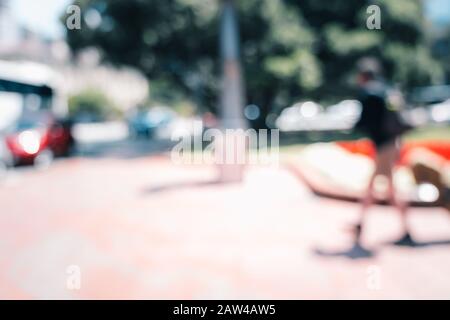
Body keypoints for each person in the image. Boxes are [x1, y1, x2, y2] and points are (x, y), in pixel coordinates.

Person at [353, 64, 412, 246]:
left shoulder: (370, 94)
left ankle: (406, 230)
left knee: (388, 189)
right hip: (391, 143)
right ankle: (360, 223)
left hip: (385, 146)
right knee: (376, 186)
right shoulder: (385, 90)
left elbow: (364, 121)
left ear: (363, 76)